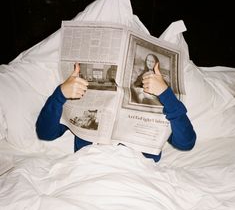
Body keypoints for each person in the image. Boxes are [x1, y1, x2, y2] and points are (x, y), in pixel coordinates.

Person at [36, 62, 196, 162]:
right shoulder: (82, 94)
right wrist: (60, 94)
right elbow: (45, 133)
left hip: (137, 176)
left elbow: (186, 143)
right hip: (89, 171)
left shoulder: (161, 99)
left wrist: (166, 94)